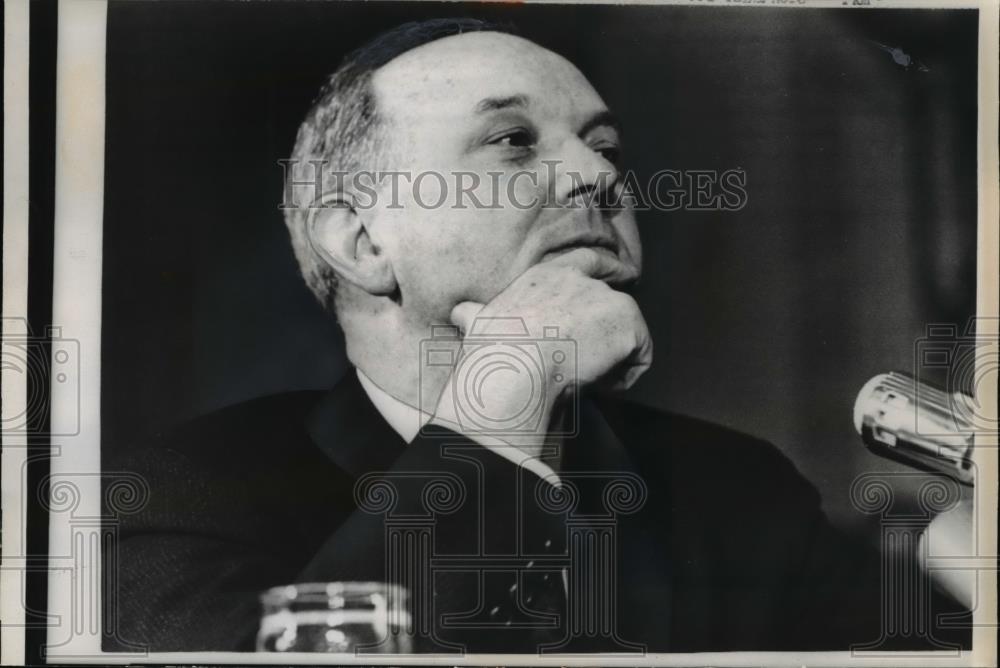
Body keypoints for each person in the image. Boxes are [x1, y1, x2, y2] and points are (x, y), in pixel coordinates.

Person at [105, 17, 970, 654]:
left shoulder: (737, 493)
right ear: (364, 243)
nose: (597, 176)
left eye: (607, 150)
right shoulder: (175, 496)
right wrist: (505, 388)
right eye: (512, 141)